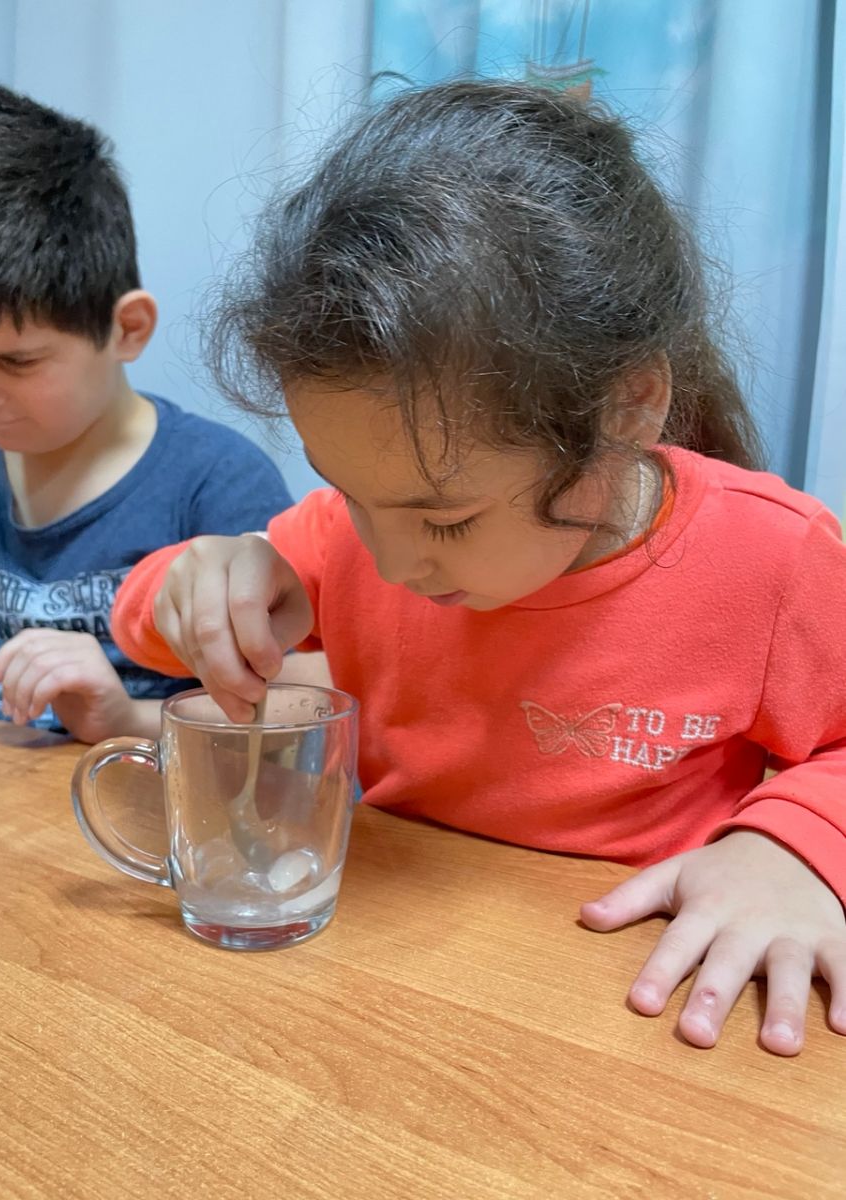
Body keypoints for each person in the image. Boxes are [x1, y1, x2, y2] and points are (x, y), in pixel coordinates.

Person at [111, 81, 846, 1055]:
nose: (387, 557)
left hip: (633, 1020)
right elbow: (140, 623)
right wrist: (199, 580)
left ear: (626, 408)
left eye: (446, 520)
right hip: (396, 994)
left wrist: (793, 847)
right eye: (346, 492)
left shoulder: (774, 558)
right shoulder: (347, 536)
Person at [0, 85, 292, 742]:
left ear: (127, 329)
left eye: (16, 362)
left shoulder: (218, 485)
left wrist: (123, 716)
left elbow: (298, 714)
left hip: (125, 790)